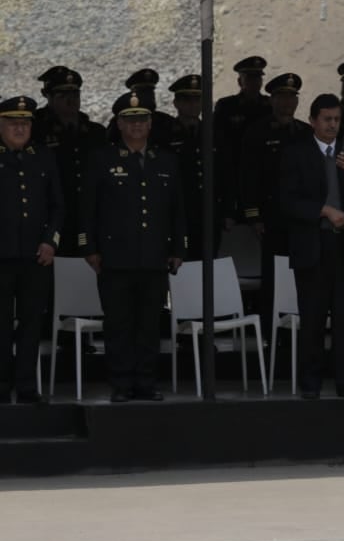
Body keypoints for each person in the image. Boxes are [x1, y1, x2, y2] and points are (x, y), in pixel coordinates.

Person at [80, 92, 186, 403]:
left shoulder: (166, 161)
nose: (137, 125)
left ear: (151, 123)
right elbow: (88, 209)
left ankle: (146, 383)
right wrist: (90, 248)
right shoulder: (102, 159)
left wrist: (179, 247)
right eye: (130, 119)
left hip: (154, 257)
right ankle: (122, 384)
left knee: (149, 325)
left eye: (142, 119)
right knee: (119, 325)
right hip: (115, 258)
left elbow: (178, 210)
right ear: (119, 123)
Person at [279, 93, 344, 400]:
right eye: (327, 119)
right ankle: (311, 383)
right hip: (313, 245)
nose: (333, 125)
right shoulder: (296, 153)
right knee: (313, 318)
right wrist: (323, 210)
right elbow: (287, 200)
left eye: (336, 119)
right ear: (312, 121)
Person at [0, 95, 61, 404]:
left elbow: (57, 206)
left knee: (31, 322)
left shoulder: (43, 158)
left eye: (25, 123)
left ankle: (26, 386)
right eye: (13, 123)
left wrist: (51, 241)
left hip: (37, 258)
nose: (20, 128)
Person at [240, 72, 310, 324]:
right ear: (272, 100)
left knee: (302, 275)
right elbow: (248, 177)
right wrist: (253, 215)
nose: (287, 103)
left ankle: (299, 326)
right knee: (273, 276)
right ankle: (271, 332)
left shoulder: (306, 132)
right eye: (281, 97)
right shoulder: (257, 132)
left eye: (291, 97)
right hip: (272, 218)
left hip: (302, 219)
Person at [31, 67, 107, 256]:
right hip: (50, 221)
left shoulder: (95, 132)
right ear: (46, 95)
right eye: (62, 94)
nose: (70, 99)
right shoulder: (35, 130)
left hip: (90, 218)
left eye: (75, 93)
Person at [212, 56, 270, 225]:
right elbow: (217, 140)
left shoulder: (269, 106)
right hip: (234, 172)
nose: (254, 82)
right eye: (249, 78)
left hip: (264, 174)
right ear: (240, 81)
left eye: (257, 78)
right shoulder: (227, 106)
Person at [165, 75, 216, 260]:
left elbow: (226, 172)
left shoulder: (213, 131)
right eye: (187, 100)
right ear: (176, 103)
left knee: (210, 259)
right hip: (181, 209)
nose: (193, 105)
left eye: (197, 100)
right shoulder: (166, 134)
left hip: (210, 209)